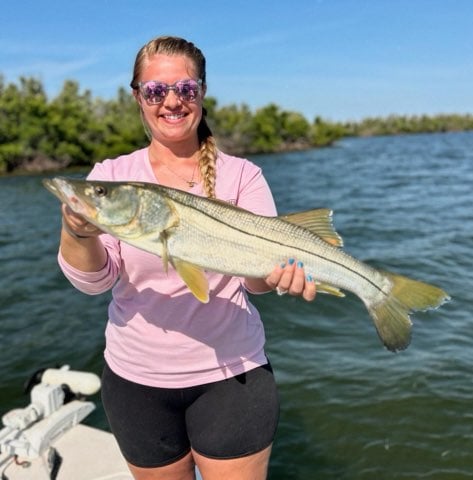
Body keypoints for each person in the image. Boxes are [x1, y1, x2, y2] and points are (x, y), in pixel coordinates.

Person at [57, 35, 317, 480]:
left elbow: (255, 280)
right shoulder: (112, 176)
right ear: (138, 97)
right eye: (156, 90)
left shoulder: (242, 175)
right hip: (136, 382)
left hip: (233, 377)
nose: (171, 101)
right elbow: (95, 281)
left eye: (186, 89)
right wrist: (76, 229)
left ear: (201, 94)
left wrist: (277, 277)